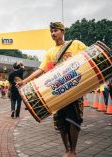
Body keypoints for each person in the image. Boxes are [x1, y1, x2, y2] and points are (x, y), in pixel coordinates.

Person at [17, 22, 87, 157]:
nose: (53, 33)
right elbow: (41, 70)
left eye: (55, 31)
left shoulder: (76, 44)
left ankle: (73, 150)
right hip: (57, 92)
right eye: (51, 31)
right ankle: (67, 150)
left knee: (74, 120)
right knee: (61, 122)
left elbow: (89, 57)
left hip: (74, 89)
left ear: (62, 31)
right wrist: (25, 81)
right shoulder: (50, 52)